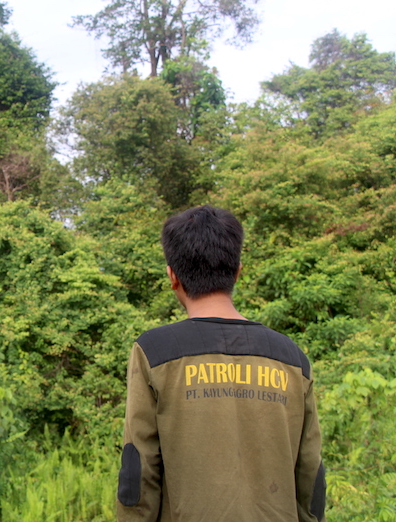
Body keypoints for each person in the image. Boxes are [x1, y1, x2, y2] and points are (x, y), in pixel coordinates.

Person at [117, 205, 326, 521]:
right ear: (238, 271)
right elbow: (310, 473)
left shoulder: (154, 351)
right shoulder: (292, 358)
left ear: (172, 275)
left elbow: (139, 472)